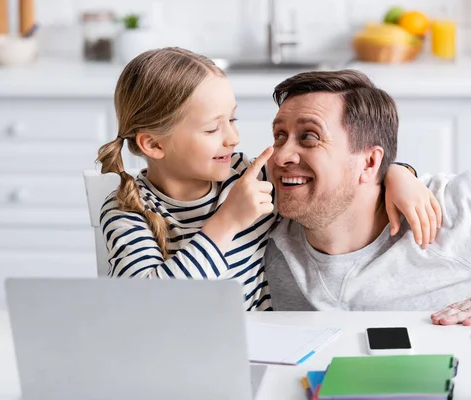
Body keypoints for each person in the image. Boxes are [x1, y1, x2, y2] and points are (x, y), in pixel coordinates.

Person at [96, 47, 439, 312]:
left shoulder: (248, 176)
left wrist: (396, 173)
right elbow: (147, 307)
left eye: (233, 119)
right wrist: (227, 222)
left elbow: (339, 174)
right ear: (154, 144)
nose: (232, 138)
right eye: (213, 128)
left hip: (261, 347)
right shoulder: (127, 210)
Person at [263, 69, 471, 326]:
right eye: (279, 136)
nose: (281, 156)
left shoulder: (452, 210)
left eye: (309, 137)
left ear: (370, 162)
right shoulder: (256, 218)